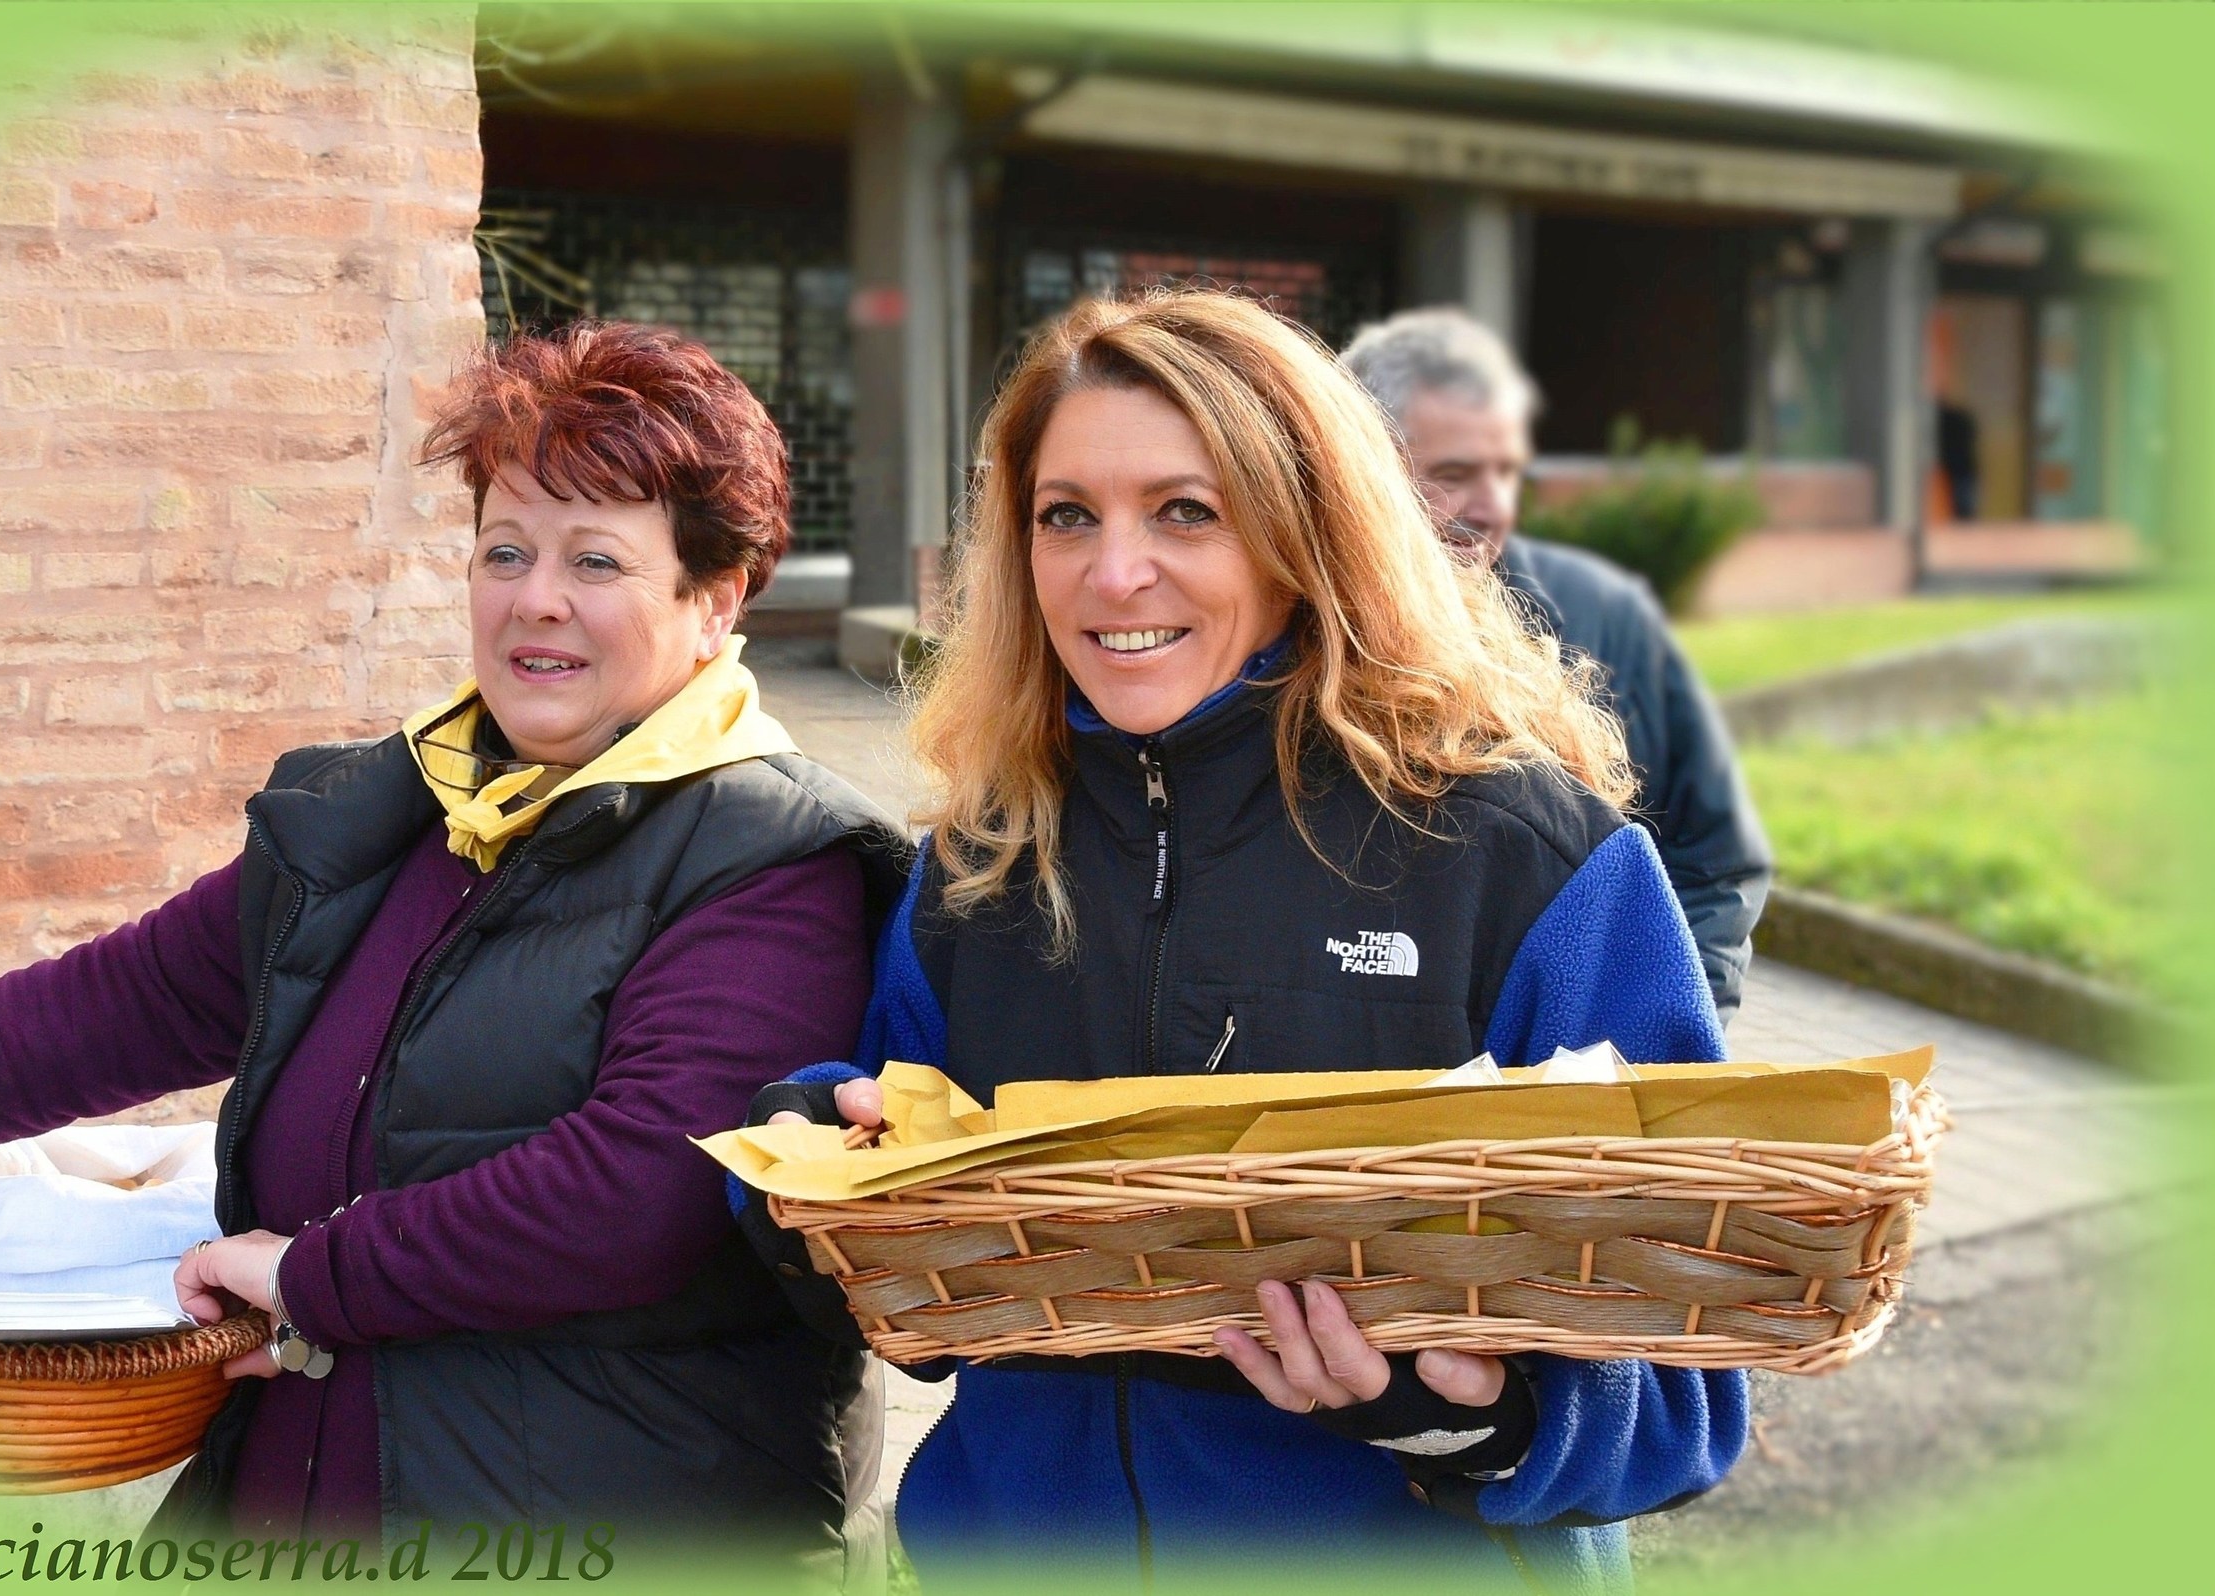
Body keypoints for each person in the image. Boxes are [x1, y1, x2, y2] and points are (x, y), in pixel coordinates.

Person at [0, 322, 908, 1569]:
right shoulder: (382, 816)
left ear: (713, 602)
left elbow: (642, 1191)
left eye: (596, 558)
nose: (534, 598)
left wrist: (312, 1278)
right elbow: (110, 1005)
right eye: (506, 549)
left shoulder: (774, 857)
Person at [743, 291, 1747, 1588]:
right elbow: (930, 1311)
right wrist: (818, 1163)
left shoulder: (1527, 858)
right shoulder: (985, 858)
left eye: (1184, 512)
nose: (1113, 574)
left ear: (1306, 530)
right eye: (1066, 517)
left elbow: (1697, 1380)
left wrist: (1467, 1416)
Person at [1341, 308, 1772, 1020]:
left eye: (1507, 473)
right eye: (1453, 475)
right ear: (1358, 472)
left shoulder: (1609, 617)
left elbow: (1717, 858)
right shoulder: (1286, 634)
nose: (1494, 508)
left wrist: (1662, 1033)